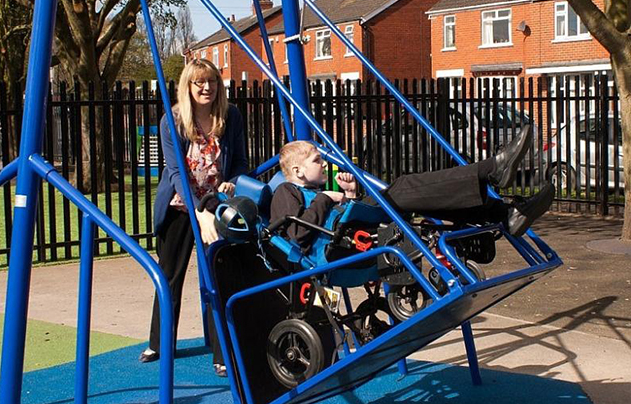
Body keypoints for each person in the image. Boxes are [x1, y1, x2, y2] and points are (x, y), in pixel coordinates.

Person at [139, 58, 249, 377]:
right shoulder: (172, 120)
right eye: (199, 82)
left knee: (219, 275)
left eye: (212, 81)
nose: (206, 88)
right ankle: (160, 343)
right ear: (187, 87)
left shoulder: (230, 116)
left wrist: (233, 180)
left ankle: (222, 353)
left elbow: (240, 161)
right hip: (180, 204)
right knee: (169, 275)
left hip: (216, 205)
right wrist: (198, 211)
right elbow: (176, 172)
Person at [270, 130, 554, 250]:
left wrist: (351, 194)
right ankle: (492, 168)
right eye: (316, 160)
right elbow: (297, 236)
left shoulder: (320, 190)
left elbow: (340, 218)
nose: (323, 163)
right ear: (297, 172)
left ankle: (504, 214)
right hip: (346, 243)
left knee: (425, 198)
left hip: (356, 232)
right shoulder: (286, 192)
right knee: (404, 187)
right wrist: (324, 198)